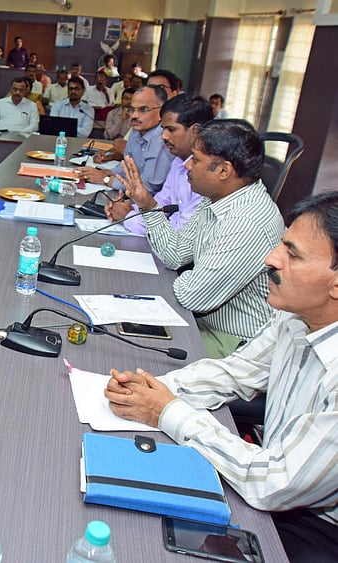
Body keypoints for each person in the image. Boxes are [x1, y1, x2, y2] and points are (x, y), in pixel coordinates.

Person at [104, 190, 338, 563]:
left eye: (292, 254)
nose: (271, 258)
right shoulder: (296, 315)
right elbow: (236, 371)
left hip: (315, 526)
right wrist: (153, 389)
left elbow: (271, 482)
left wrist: (166, 411)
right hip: (274, 480)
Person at [144, 119, 284, 355]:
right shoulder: (217, 197)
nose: (187, 165)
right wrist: (148, 206)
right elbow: (176, 254)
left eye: (196, 159)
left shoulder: (246, 221)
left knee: (142, 355)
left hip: (234, 341)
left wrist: (193, 280)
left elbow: (193, 296)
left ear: (224, 171)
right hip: (202, 321)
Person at [105, 93, 210, 235]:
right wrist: (127, 209)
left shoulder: (207, 173)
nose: (163, 136)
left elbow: (179, 235)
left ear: (194, 131)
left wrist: (128, 217)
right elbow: (162, 203)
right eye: (163, 129)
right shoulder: (179, 160)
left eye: (171, 129)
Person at [77, 85, 175, 194]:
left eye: (143, 109)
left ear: (162, 112)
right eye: (131, 109)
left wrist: (106, 179)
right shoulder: (136, 131)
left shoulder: (163, 139)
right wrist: (106, 172)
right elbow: (126, 166)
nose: (134, 115)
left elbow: (148, 187)